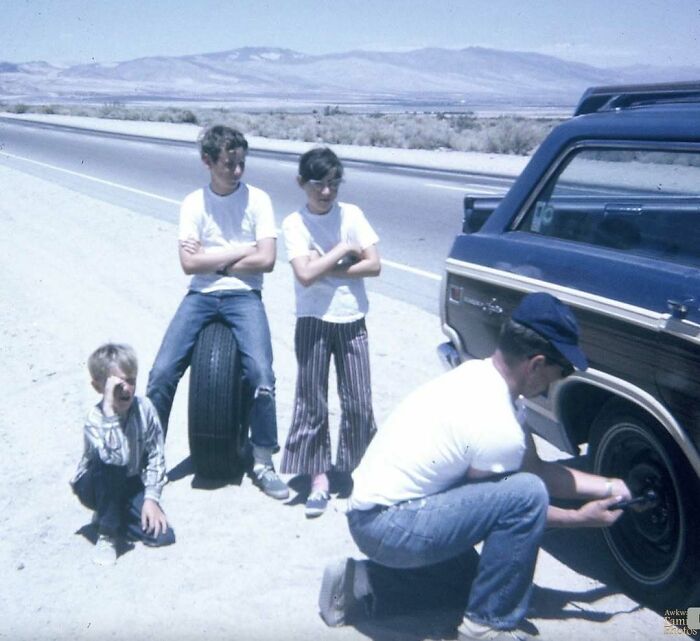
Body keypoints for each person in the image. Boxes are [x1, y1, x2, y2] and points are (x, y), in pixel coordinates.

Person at [318, 292, 632, 641]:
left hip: (374, 516)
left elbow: (537, 470)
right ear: (537, 364)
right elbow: (522, 504)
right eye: (563, 370)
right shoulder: (497, 423)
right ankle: (486, 625)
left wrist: (609, 486)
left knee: (478, 577)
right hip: (390, 526)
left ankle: (358, 583)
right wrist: (579, 519)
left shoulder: (480, 377)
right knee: (525, 496)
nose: (558, 381)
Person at [146, 125, 288, 500]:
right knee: (160, 374)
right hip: (201, 295)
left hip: (244, 296)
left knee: (261, 373)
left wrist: (213, 260)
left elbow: (268, 260)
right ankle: (152, 462)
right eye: (229, 164)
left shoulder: (259, 200)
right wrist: (240, 252)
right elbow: (188, 265)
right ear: (207, 162)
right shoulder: (193, 203)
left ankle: (262, 460)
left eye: (241, 163)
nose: (237, 171)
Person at [280, 147, 381, 518]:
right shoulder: (294, 223)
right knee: (312, 401)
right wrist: (341, 249)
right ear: (301, 183)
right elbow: (304, 276)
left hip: (351, 318)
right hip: (312, 319)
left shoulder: (352, 214)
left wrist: (327, 267)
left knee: (358, 401)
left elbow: (373, 266)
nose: (326, 192)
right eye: (318, 184)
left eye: (333, 183)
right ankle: (318, 479)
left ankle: (354, 471)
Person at [71, 343, 175, 566]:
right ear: (99, 387)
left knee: (162, 534)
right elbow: (115, 458)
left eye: (131, 380)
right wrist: (109, 411)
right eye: (118, 385)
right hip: (93, 483)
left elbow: (157, 454)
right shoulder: (95, 418)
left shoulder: (145, 408)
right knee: (114, 462)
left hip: (128, 481)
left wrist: (151, 499)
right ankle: (107, 534)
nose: (127, 389)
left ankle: (110, 513)